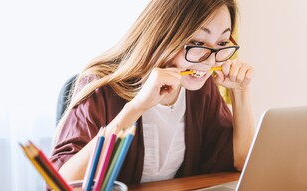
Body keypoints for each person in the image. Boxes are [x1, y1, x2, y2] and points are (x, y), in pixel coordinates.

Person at [50, 0, 255, 185]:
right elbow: (61, 183)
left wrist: (240, 93)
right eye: (198, 43)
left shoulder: (200, 90)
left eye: (221, 44)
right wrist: (136, 107)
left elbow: (242, 162)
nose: (210, 61)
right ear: (164, 36)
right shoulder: (101, 86)